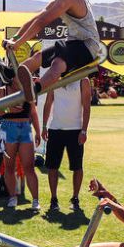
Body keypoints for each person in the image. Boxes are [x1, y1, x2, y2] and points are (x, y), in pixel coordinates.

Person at [0, 0, 103, 104]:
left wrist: (18, 43)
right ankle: (10, 73)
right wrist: (15, 38)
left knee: (58, 63)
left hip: (88, 46)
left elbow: (43, 22)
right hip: (73, 43)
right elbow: (36, 18)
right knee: (39, 57)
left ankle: (35, 88)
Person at [41, 75, 92, 213]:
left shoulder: (83, 80)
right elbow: (48, 103)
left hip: (75, 130)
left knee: (77, 167)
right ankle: (53, 199)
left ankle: (75, 198)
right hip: (55, 129)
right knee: (52, 167)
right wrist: (45, 126)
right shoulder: (54, 78)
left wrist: (84, 130)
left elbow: (87, 106)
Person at [0, 70, 41, 211]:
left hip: (25, 127)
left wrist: (38, 132)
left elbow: (33, 111)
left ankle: (35, 200)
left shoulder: (28, 90)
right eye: (18, 75)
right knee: (9, 166)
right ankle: (13, 197)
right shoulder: (2, 91)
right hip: (8, 128)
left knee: (29, 166)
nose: (22, 78)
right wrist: (8, 110)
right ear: (11, 78)